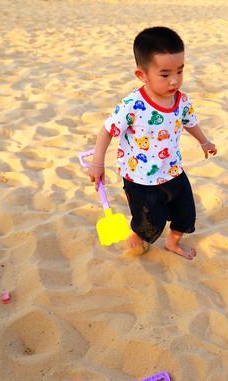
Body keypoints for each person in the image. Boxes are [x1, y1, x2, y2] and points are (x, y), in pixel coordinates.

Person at [87, 26, 217, 260]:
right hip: (140, 178)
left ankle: (173, 242)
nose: (174, 81)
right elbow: (107, 131)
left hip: (173, 170)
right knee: (150, 222)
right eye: (165, 74)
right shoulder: (132, 105)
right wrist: (97, 164)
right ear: (142, 75)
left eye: (180, 71)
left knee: (186, 215)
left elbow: (189, 121)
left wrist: (204, 141)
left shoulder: (181, 100)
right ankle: (138, 237)